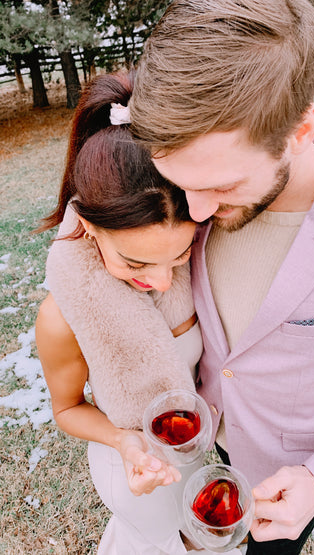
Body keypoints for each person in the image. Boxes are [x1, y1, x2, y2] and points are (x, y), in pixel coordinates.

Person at [129, 1, 314, 553]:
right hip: (193, 441)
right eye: (179, 181)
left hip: (287, 479)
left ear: (300, 128)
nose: (195, 210)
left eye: (223, 186)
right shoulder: (187, 187)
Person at [35, 70, 209, 554]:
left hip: (192, 448)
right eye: (134, 262)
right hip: (131, 465)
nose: (161, 281)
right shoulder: (61, 318)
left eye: (177, 257)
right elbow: (67, 408)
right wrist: (124, 441)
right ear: (88, 226)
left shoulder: (201, 266)